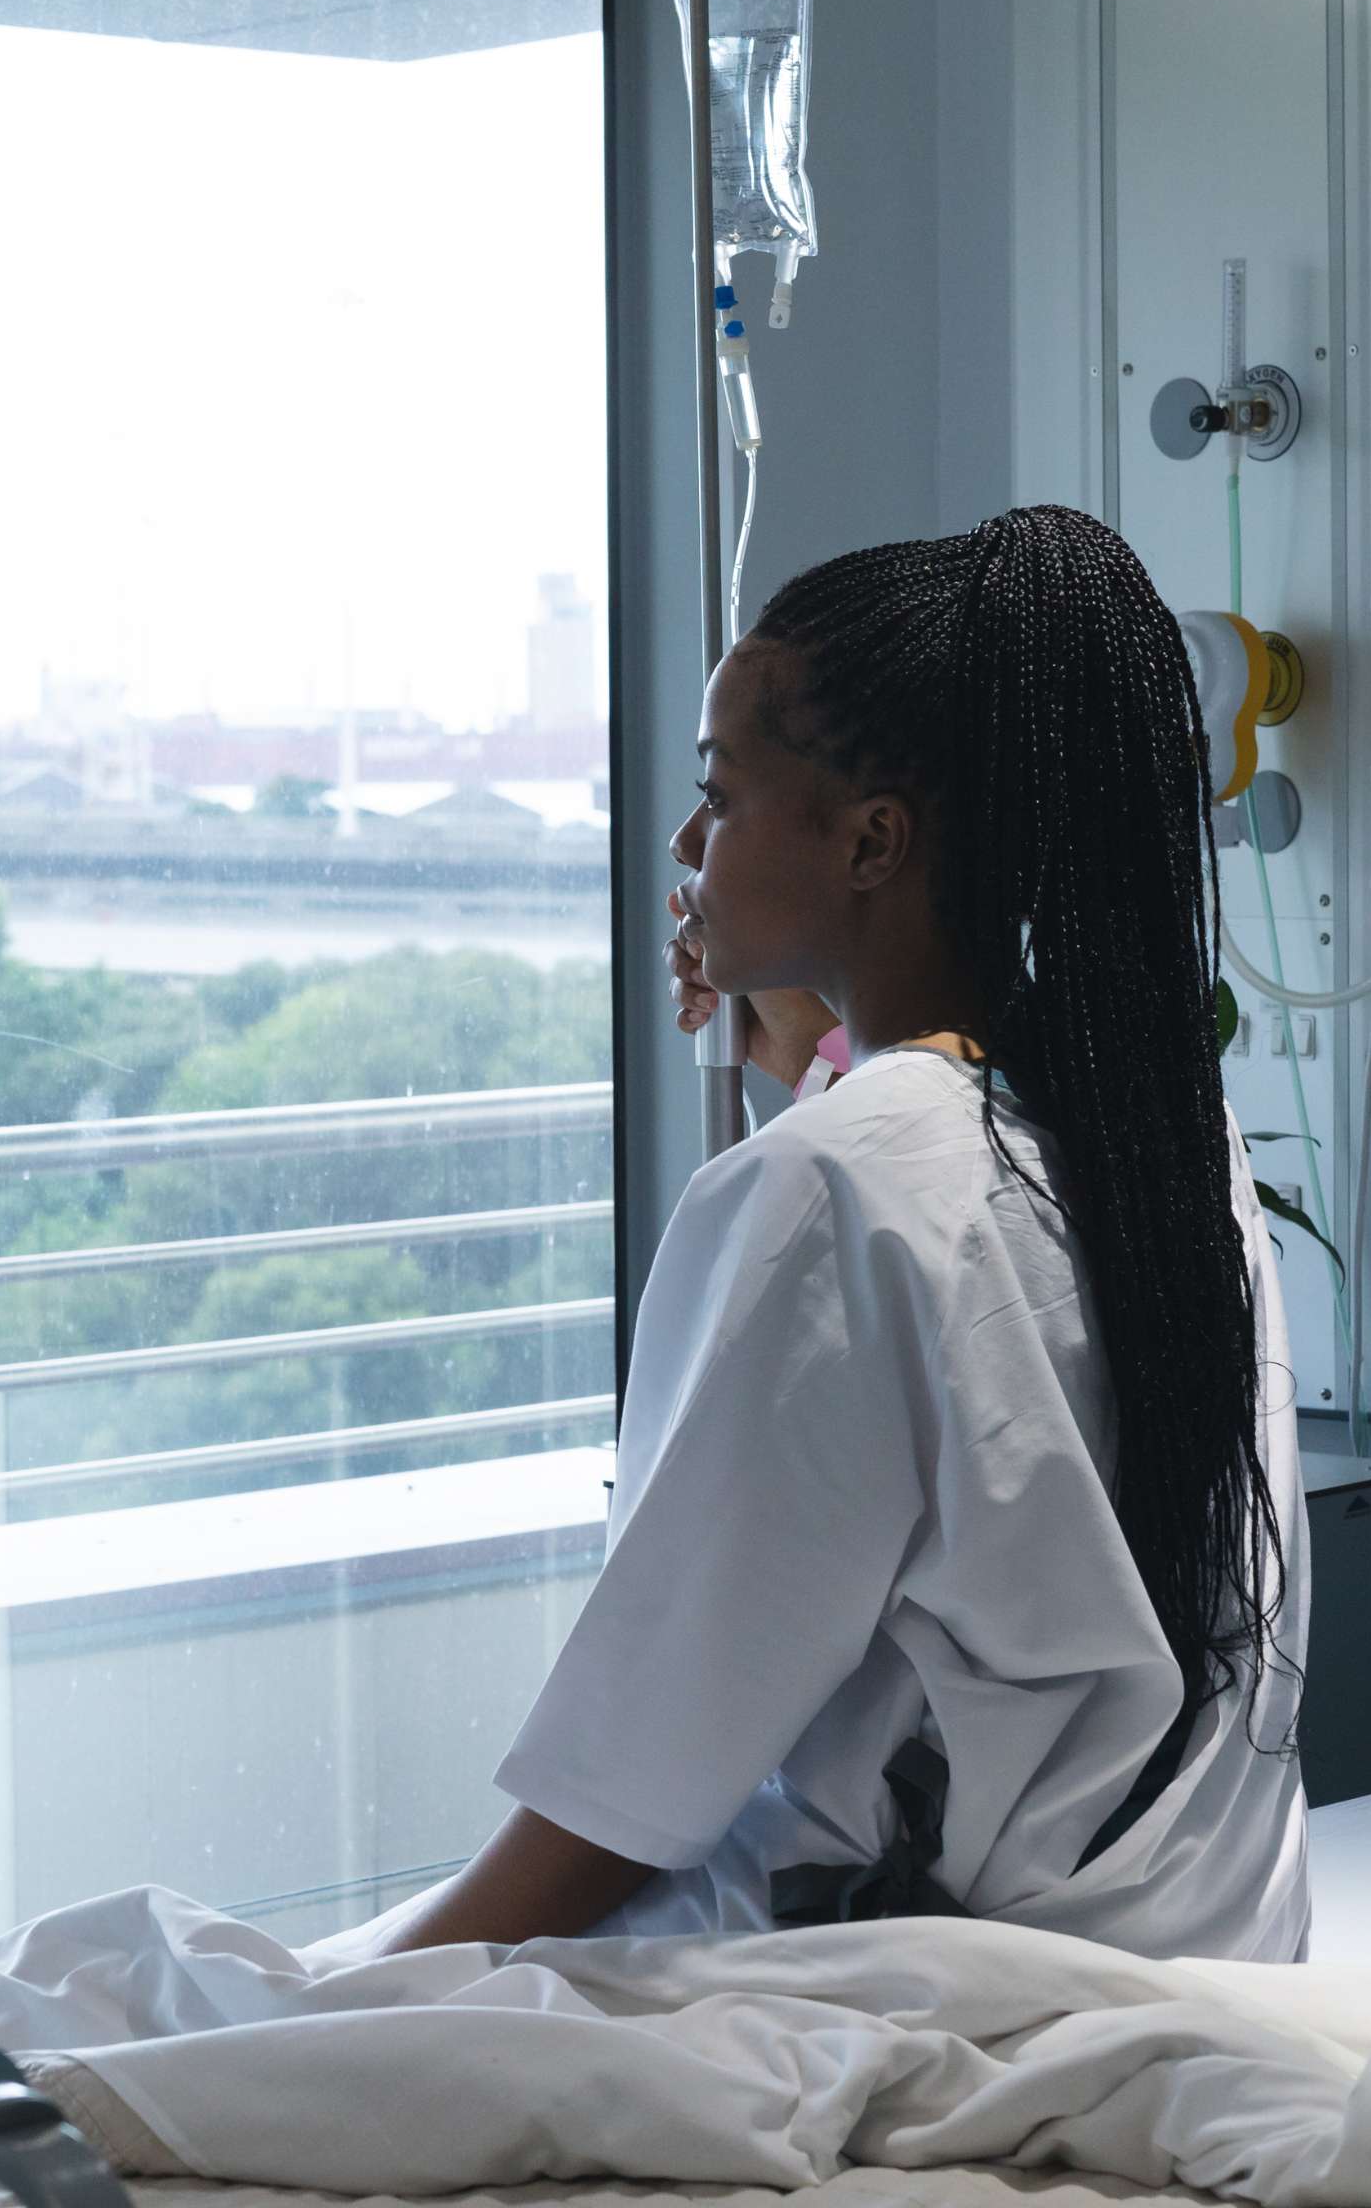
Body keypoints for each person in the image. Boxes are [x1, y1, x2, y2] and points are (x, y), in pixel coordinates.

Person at [374, 506, 1308, 1965]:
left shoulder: (834, 1190)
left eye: (720, 793)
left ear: (873, 839)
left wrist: (373, 1990)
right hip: (1191, 1950)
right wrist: (827, 1056)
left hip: (942, 1990)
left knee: (149, 1993)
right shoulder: (1165, 1142)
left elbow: (629, 1798)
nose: (686, 845)